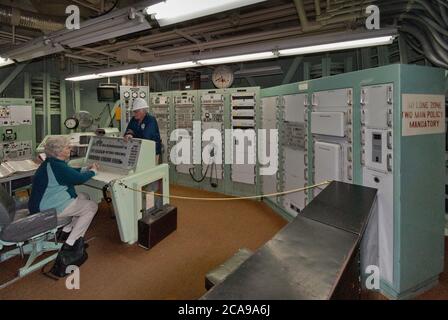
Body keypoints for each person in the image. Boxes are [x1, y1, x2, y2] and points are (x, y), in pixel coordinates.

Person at [28, 136, 99, 275]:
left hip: (41, 202)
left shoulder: (52, 162)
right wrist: (93, 172)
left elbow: (69, 173)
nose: (70, 149)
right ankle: (71, 243)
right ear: (59, 151)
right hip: (48, 207)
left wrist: (86, 168)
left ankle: (66, 230)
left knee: (84, 196)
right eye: (67, 147)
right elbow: (77, 179)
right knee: (91, 207)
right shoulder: (57, 165)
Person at [124, 97, 162, 163]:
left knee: (150, 171)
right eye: (134, 111)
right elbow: (128, 131)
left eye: (136, 111)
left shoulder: (150, 120)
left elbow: (146, 137)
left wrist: (133, 134)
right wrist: (129, 134)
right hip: (137, 152)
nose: (134, 114)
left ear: (143, 111)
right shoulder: (134, 120)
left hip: (151, 152)